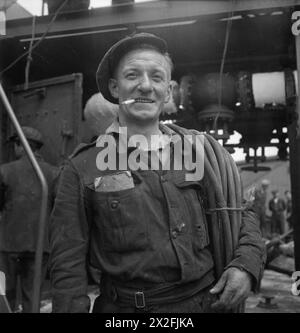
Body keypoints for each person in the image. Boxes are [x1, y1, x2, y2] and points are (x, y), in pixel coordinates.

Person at [49, 33, 265, 313]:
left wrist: (245, 266)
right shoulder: (83, 167)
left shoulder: (198, 153)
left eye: (157, 77)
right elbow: (68, 266)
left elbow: (241, 212)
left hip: (205, 305)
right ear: (115, 88)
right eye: (132, 75)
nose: (145, 86)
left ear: (169, 90)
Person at [0, 127, 59, 313]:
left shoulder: (4, 171)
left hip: (7, 245)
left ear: (20, 145)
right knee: (32, 297)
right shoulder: (54, 173)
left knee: (4, 296)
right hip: (40, 246)